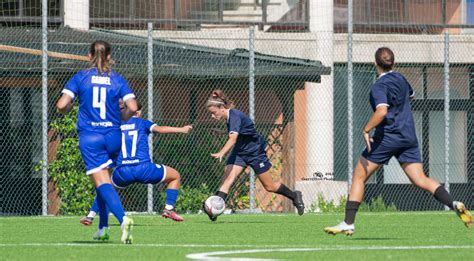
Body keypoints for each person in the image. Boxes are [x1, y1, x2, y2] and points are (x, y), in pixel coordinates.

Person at [324, 47, 472, 236]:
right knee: (420, 179)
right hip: (407, 137)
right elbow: (411, 95)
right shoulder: (401, 79)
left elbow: (382, 111)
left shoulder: (379, 86)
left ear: (375, 63)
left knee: (359, 176)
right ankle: (453, 203)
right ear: (393, 63)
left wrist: (366, 129)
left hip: (387, 137)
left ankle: (348, 223)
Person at [56, 40, 138, 244]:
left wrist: (67, 111)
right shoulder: (118, 80)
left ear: (88, 56)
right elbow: (133, 106)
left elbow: (62, 104)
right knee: (103, 182)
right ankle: (102, 228)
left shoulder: (81, 78)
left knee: (102, 183)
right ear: (109, 57)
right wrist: (123, 117)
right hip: (113, 136)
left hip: (91, 137)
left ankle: (123, 219)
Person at [80, 101, 193, 232]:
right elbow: (160, 129)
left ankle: (90, 216)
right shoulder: (142, 122)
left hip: (123, 172)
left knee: (105, 188)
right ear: (137, 112)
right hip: (144, 168)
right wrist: (181, 129)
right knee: (175, 176)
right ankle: (168, 209)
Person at [204, 89, 304, 221]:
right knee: (227, 179)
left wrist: (221, 152)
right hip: (240, 152)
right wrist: (222, 132)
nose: (212, 116)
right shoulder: (229, 117)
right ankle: (214, 212)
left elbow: (233, 138)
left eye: (213, 112)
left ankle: (294, 195)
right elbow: (240, 133)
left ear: (221, 107)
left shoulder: (234, 115)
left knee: (270, 187)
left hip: (255, 153)